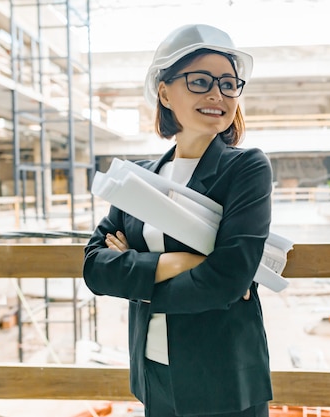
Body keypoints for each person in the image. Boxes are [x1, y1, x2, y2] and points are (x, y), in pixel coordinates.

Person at [83, 24, 273, 417]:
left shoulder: (246, 168)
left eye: (228, 83)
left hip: (223, 378)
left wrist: (135, 280)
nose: (217, 94)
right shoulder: (138, 178)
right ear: (165, 92)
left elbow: (229, 278)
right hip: (153, 373)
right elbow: (94, 267)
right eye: (200, 81)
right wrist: (178, 263)